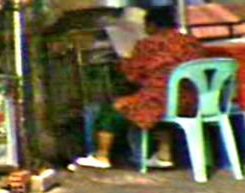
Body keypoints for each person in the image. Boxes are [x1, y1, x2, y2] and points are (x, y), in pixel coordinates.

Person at [74, 7, 209, 170]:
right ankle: (164, 154)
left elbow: (133, 76)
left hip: (161, 101)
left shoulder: (149, 44)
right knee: (155, 111)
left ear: (152, 25)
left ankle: (102, 155)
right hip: (193, 100)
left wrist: (124, 62)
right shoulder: (191, 42)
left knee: (114, 110)